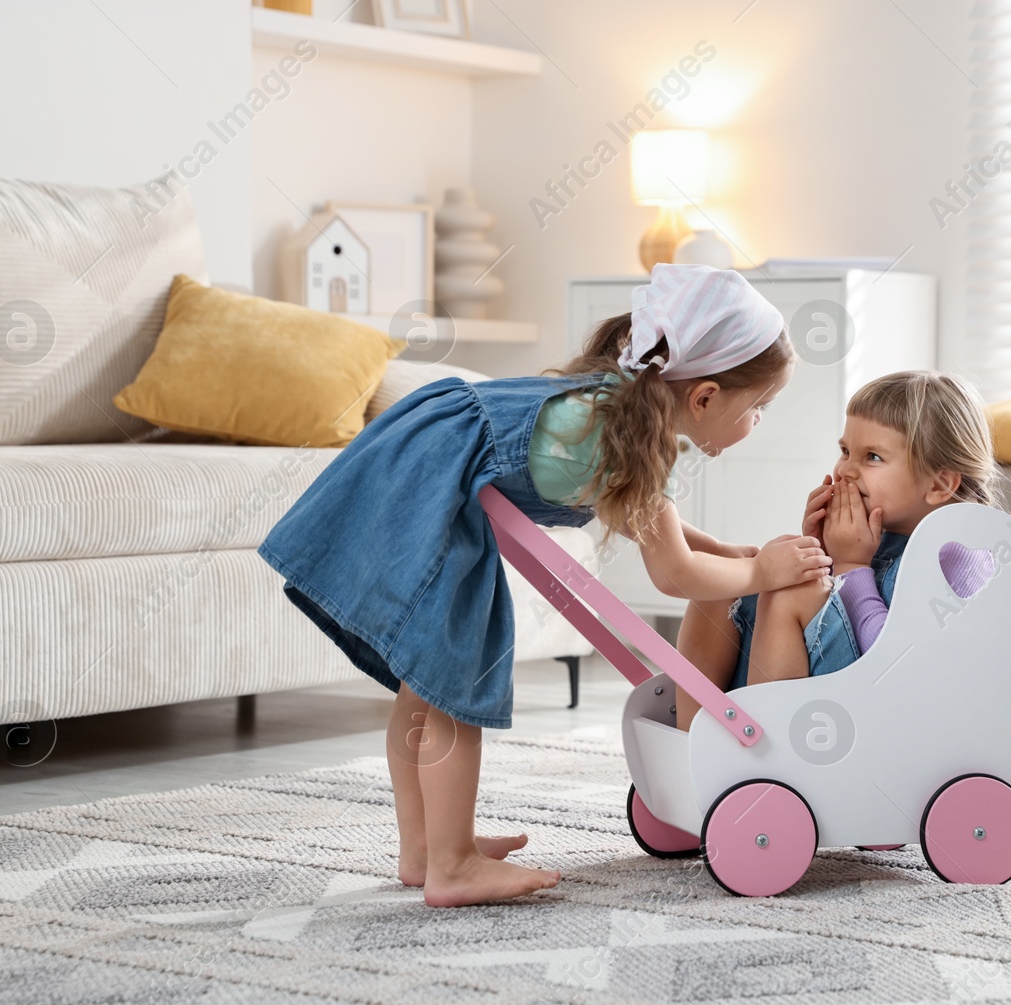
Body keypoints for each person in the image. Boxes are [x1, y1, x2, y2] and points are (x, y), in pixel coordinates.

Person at [257, 264, 820, 906]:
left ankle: (423, 850)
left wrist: (719, 550)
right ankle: (453, 865)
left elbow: (650, 522)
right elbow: (673, 574)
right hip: (433, 489)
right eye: (758, 410)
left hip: (420, 467)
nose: (757, 425)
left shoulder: (619, 407)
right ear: (706, 396)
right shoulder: (634, 437)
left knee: (423, 688)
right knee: (449, 687)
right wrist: (761, 572)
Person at [672, 370, 999, 729]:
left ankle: (762, 754)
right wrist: (820, 551)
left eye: (872, 456)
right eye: (845, 451)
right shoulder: (882, 531)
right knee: (730, 578)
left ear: (939, 484)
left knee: (795, 591)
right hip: (832, 697)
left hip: (884, 719)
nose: (846, 470)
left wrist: (850, 564)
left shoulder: (955, 557)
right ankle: (692, 739)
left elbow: (898, 663)